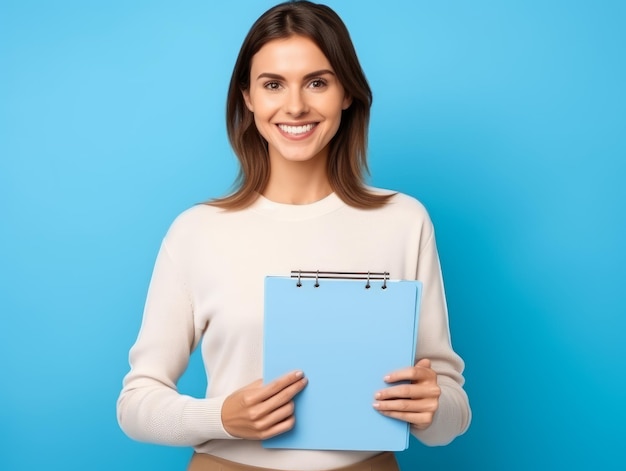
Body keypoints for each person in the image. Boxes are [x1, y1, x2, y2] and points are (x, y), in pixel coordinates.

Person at [116, 1, 471, 470]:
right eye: (273, 85)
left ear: (347, 92)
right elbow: (136, 404)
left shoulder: (404, 220)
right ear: (247, 97)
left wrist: (432, 410)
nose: (296, 105)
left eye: (318, 82)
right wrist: (220, 416)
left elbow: (452, 413)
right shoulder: (197, 231)